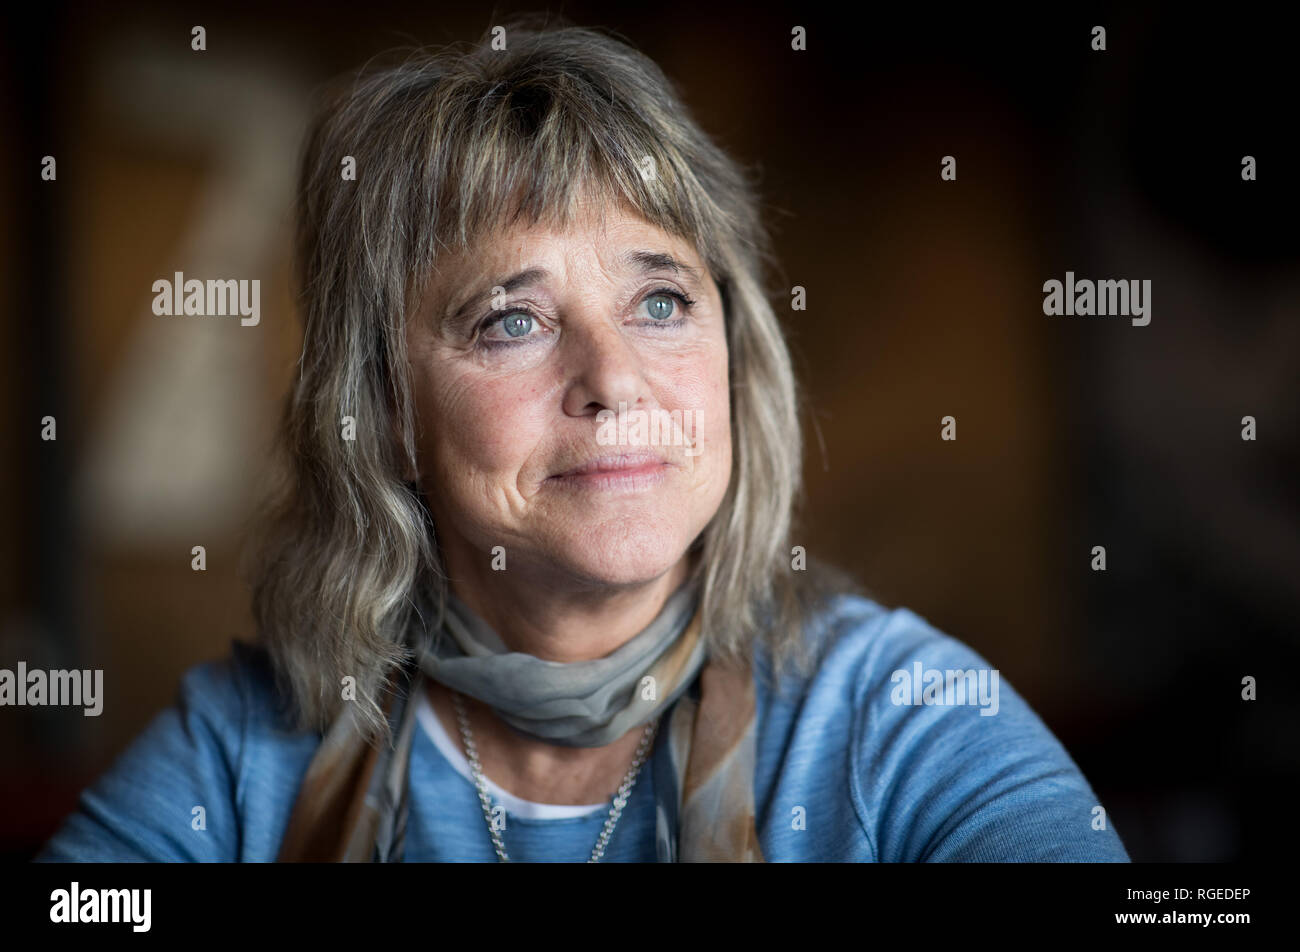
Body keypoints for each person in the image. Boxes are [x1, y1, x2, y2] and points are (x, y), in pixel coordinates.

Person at [35, 20, 1128, 863]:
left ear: (733, 354)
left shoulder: (901, 714)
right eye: (511, 320)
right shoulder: (245, 750)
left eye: (660, 302)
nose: (613, 380)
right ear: (389, 417)